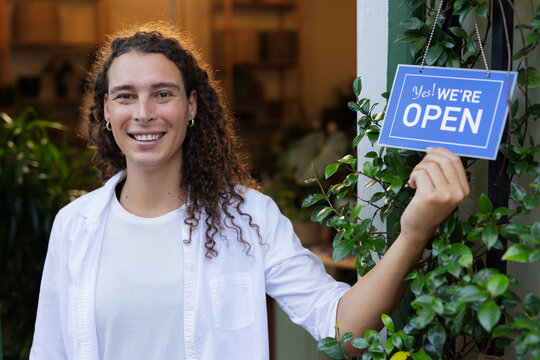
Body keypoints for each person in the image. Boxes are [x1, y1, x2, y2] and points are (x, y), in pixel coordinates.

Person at [30, 25, 469, 360]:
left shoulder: (248, 218)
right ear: (107, 110)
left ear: (192, 106)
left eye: (162, 94)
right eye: (126, 96)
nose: (144, 113)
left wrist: (412, 234)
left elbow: (343, 331)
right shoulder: (74, 226)